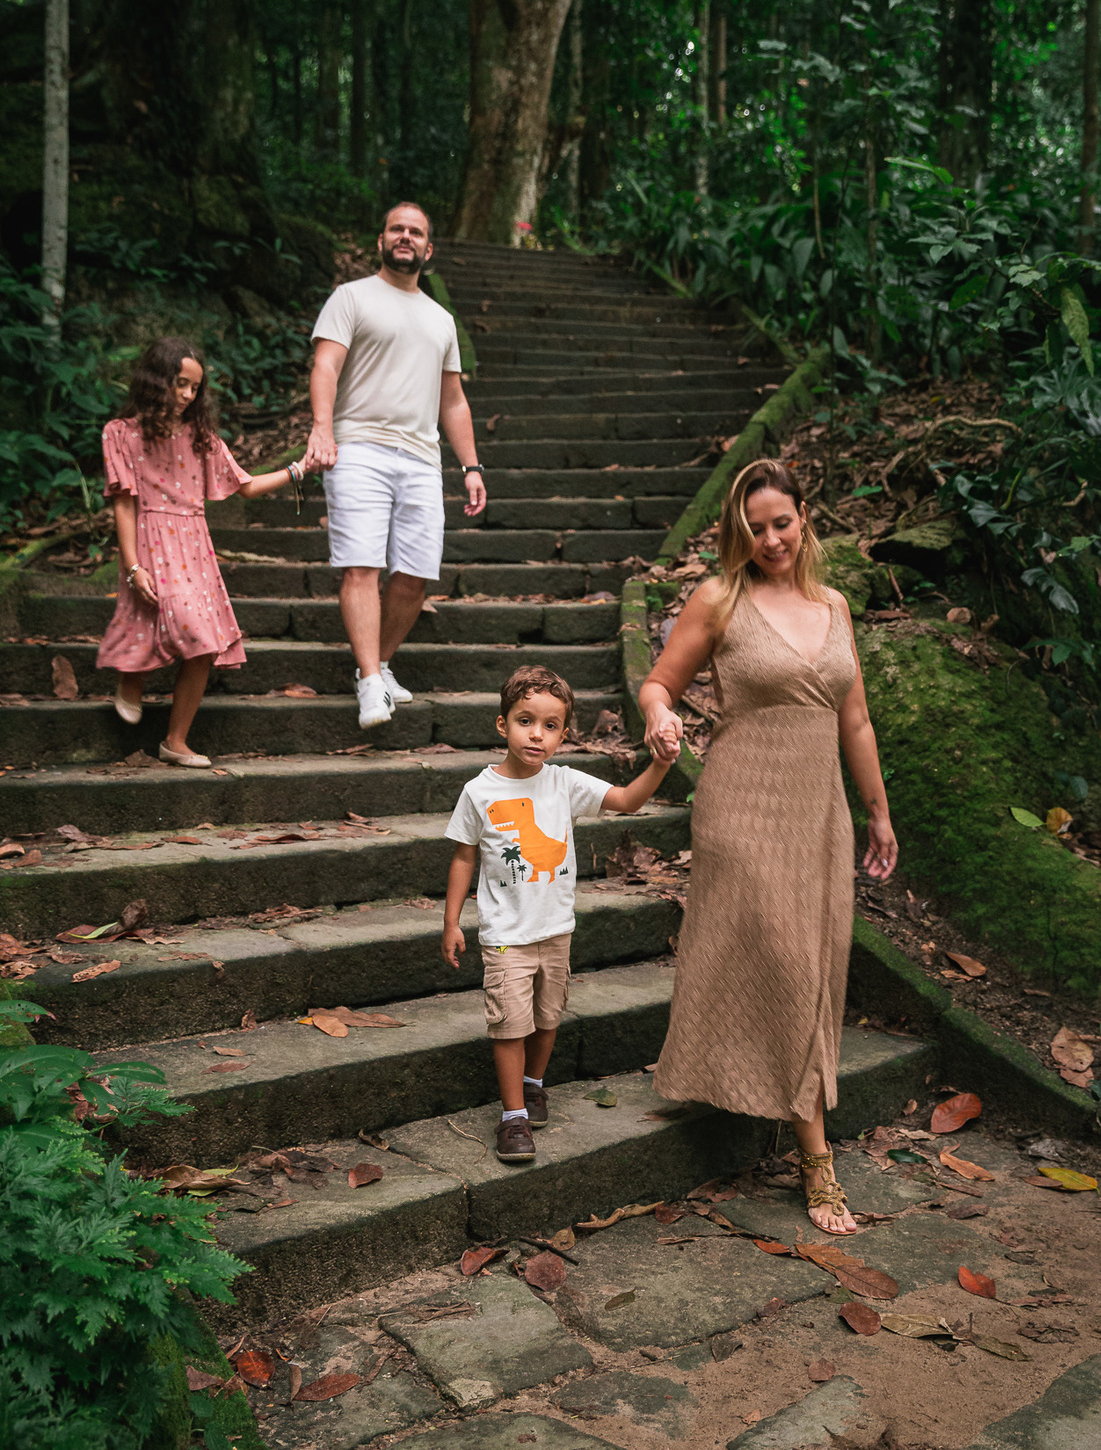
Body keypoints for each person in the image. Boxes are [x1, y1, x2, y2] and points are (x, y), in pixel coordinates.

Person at [638, 458, 898, 1236]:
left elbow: (855, 720)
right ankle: (817, 1161)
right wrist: (660, 718)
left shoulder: (835, 605)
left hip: (818, 812)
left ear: (805, 516)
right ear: (737, 532)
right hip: (742, 808)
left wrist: (878, 813)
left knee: (814, 967)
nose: (772, 539)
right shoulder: (721, 597)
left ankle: (754, 1090)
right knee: (785, 961)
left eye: (782, 522)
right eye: (755, 528)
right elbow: (659, 683)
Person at [441, 664, 678, 1164]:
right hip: (506, 934)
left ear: (563, 735)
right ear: (502, 724)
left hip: (556, 931)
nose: (537, 734)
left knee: (547, 1018)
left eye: (550, 726)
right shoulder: (479, 792)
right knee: (510, 1024)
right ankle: (513, 1117)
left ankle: (533, 1085)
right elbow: (463, 856)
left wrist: (659, 764)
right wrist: (451, 922)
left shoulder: (564, 783)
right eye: (526, 721)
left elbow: (626, 801)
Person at [305, 201, 487, 731]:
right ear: (381, 240)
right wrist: (321, 429)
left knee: (415, 574)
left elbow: (453, 400)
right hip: (358, 448)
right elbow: (325, 365)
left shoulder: (441, 319)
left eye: (416, 232)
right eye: (396, 229)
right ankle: (368, 680)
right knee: (361, 565)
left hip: (422, 459)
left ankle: (380, 664)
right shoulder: (351, 297)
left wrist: (471, 466)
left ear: (428, 249)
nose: (405, 236)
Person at [97, 338, 310, 768]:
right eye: (180, 384)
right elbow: (123, 502)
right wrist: (132, 564)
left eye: (194, 388)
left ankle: (175, 741)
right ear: (156, 379)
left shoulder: (200, 438)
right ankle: (130, 678)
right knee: (155, 612)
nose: (187, 395)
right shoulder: (120, 433)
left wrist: (298, 469)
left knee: (204, 640)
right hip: (149, 538)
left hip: (193, 545)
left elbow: (244, 485)